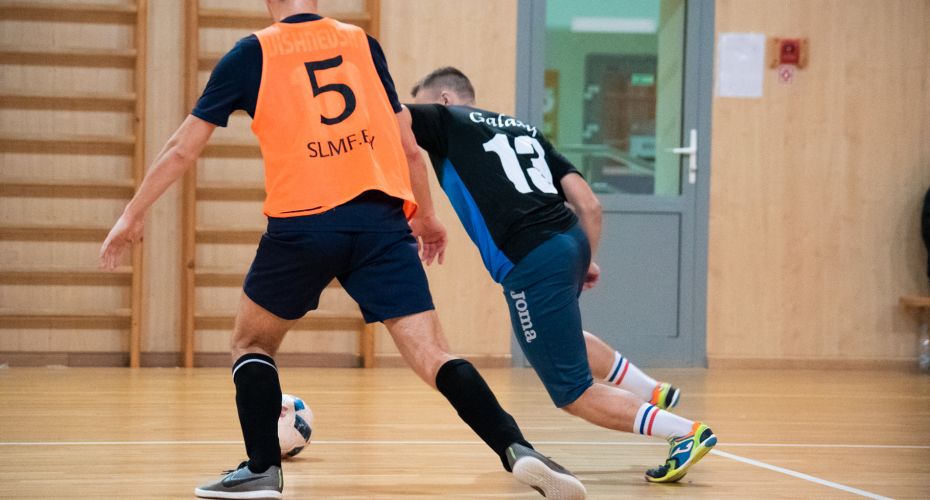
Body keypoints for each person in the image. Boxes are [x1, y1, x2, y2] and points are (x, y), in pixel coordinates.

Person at [99, 3, 585, 499]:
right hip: (381, 224)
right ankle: (517, 448)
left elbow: (183, 148)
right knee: (434, 354)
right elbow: (408, 146)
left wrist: (133, 213)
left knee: (252, 343)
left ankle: (262, 469)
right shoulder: (360, 43)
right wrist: (426, 217)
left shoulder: (251, 54)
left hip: (303, 225)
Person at [407, 67, 717, 484]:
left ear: (444, 99)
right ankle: (650, 390)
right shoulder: (525, 130)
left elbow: (390, 116)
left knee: (573, 392)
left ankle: (684, 433)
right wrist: (586, 259)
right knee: (561, 338)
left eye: (424, 104)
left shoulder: (444, 120)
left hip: (530, 258)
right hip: (570, 239)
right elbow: (589, 205)